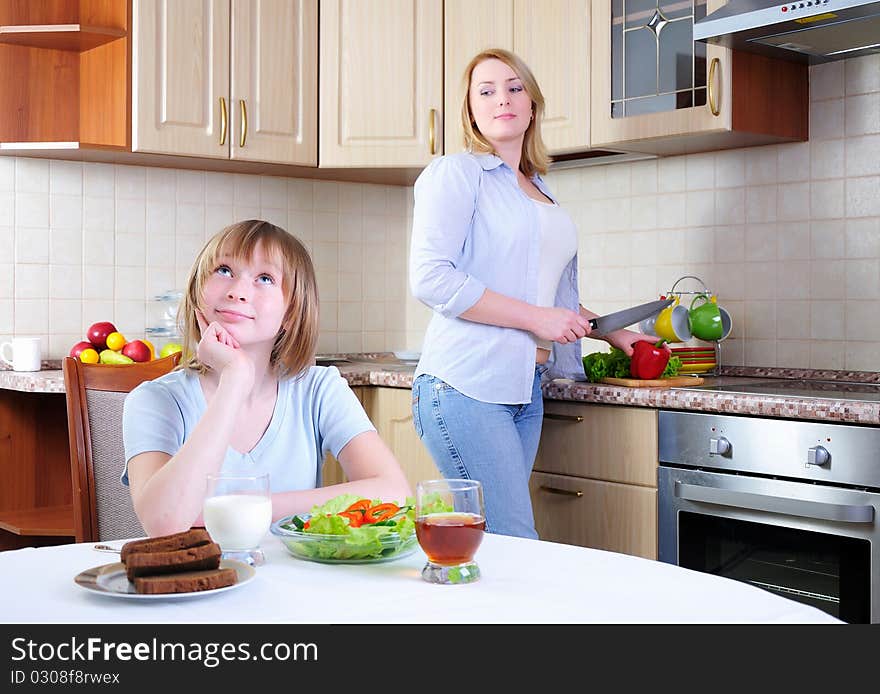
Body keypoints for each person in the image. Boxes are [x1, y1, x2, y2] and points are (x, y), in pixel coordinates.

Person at [409, 49, 661, 539]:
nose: (502, 98)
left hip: (526, 389)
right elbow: (430, 277)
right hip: (464, 386)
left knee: (497, 550)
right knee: (516, 544)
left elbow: (550, 301)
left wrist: (616, 334)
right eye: (486, 91)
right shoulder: (456, 174)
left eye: (514, 87)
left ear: (532, 104)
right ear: (471, 110)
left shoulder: (540, 190)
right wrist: (535, 320)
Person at [123, 220, 411, 536]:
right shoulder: (154, 400)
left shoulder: (318, 390)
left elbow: (395, 494)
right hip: (199, 582)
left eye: (265, 278)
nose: (237, 292)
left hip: (299, 579)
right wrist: (234, 381)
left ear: (291, 313)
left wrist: (250, 507)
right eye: (223, 270)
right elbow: (163, 523)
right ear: (196, 290)